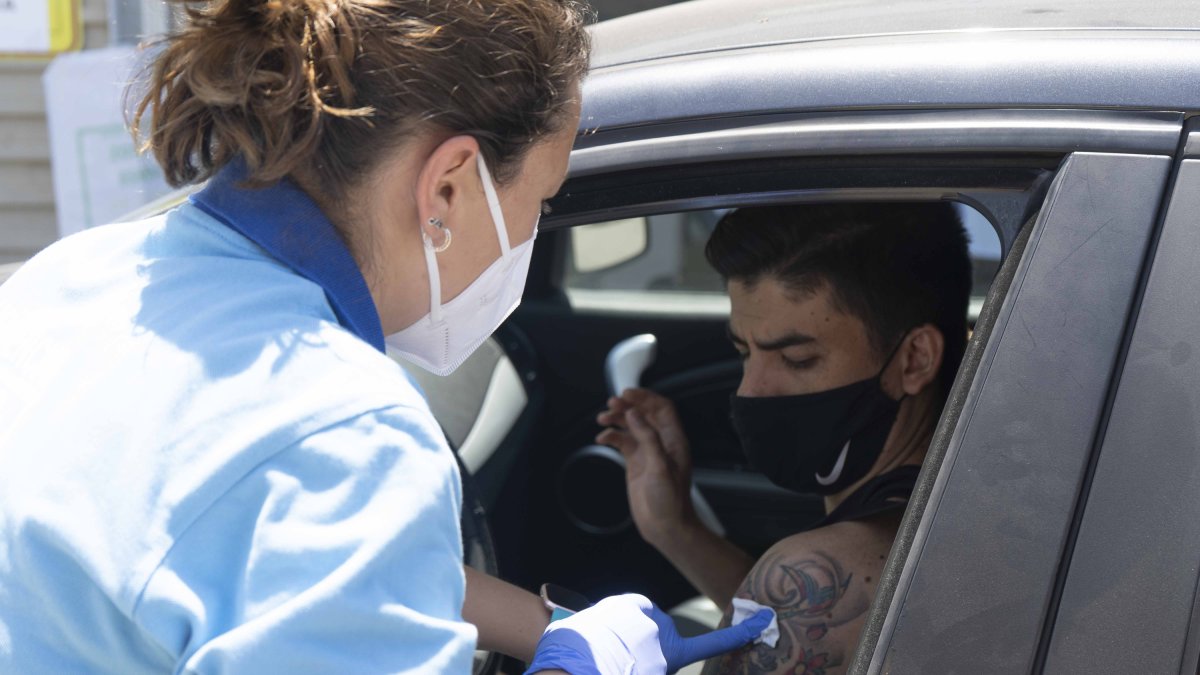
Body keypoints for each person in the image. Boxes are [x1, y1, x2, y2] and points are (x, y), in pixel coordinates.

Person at [0, 0, 770, 672]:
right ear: (448, 186)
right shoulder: (340, 435)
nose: (532, 233)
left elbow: (262, 558)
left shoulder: (73, 276)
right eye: (541, 199)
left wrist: (552, 629)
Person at [598, 202, 972, 674]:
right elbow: (793, 627)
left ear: (915, 358)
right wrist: (675, 528)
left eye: (797, 359)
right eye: (742, 352)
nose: (749, 390)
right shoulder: (950, 497)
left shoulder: (829, 562)